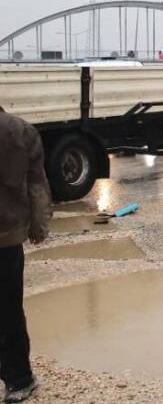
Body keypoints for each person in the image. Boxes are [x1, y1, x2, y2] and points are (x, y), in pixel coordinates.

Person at [0, 105, 51, 403]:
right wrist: (37, 227)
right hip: (7, 237)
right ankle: (18, 381)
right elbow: (36, 185)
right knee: (8, 308)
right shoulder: (20, 130)